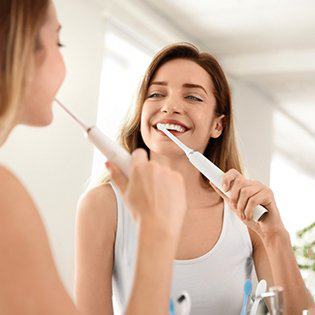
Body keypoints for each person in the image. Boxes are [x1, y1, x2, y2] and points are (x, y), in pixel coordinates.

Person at [76, 42, 314, 314]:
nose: (170, 106)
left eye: (192, 97)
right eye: (156, 94)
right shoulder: (102, 205)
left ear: (217, 125)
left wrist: (274, 236)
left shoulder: (244, 214)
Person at [0, 1, 187, 314]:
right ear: (18, 47)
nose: (170, 107)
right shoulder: (5, 199)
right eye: (58, 41)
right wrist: (158, 232)